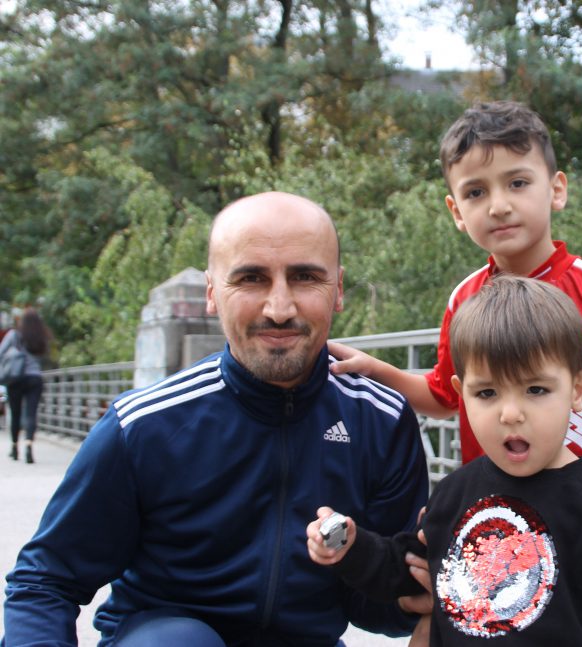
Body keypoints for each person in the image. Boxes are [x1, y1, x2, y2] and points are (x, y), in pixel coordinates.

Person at [3, 192, 430, 646]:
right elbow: (44, 580)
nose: (279, 308)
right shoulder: (145, 426)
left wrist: (404, 599)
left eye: (305, 277)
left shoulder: (382, 421)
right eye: (251, 278)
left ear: (339, 289)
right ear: (212, 292)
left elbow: (372, 602)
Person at [308, 276, 582, 646]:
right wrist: (351, 547)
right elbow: (407, 568)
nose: (510, 414)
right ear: (462, 395)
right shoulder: (453, 494)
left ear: (577, 389)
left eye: (536, 389)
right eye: (487, 392)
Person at [330, 100, 582, 510]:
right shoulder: (463, 298)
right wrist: (376, 370)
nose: (498, 205)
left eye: (517, 182)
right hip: (497, 521)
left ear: (556, 189)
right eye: (476, 192)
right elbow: (447, 397)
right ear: (456, 211)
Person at [0, 307, 52, 464]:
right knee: (31, 413)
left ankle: (15, 447)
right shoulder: (40, 335)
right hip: (35, 378)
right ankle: (29, 444)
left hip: (15, 378)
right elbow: (44, 356)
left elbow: (1, 352)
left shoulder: (14, 335)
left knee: (15, 413)